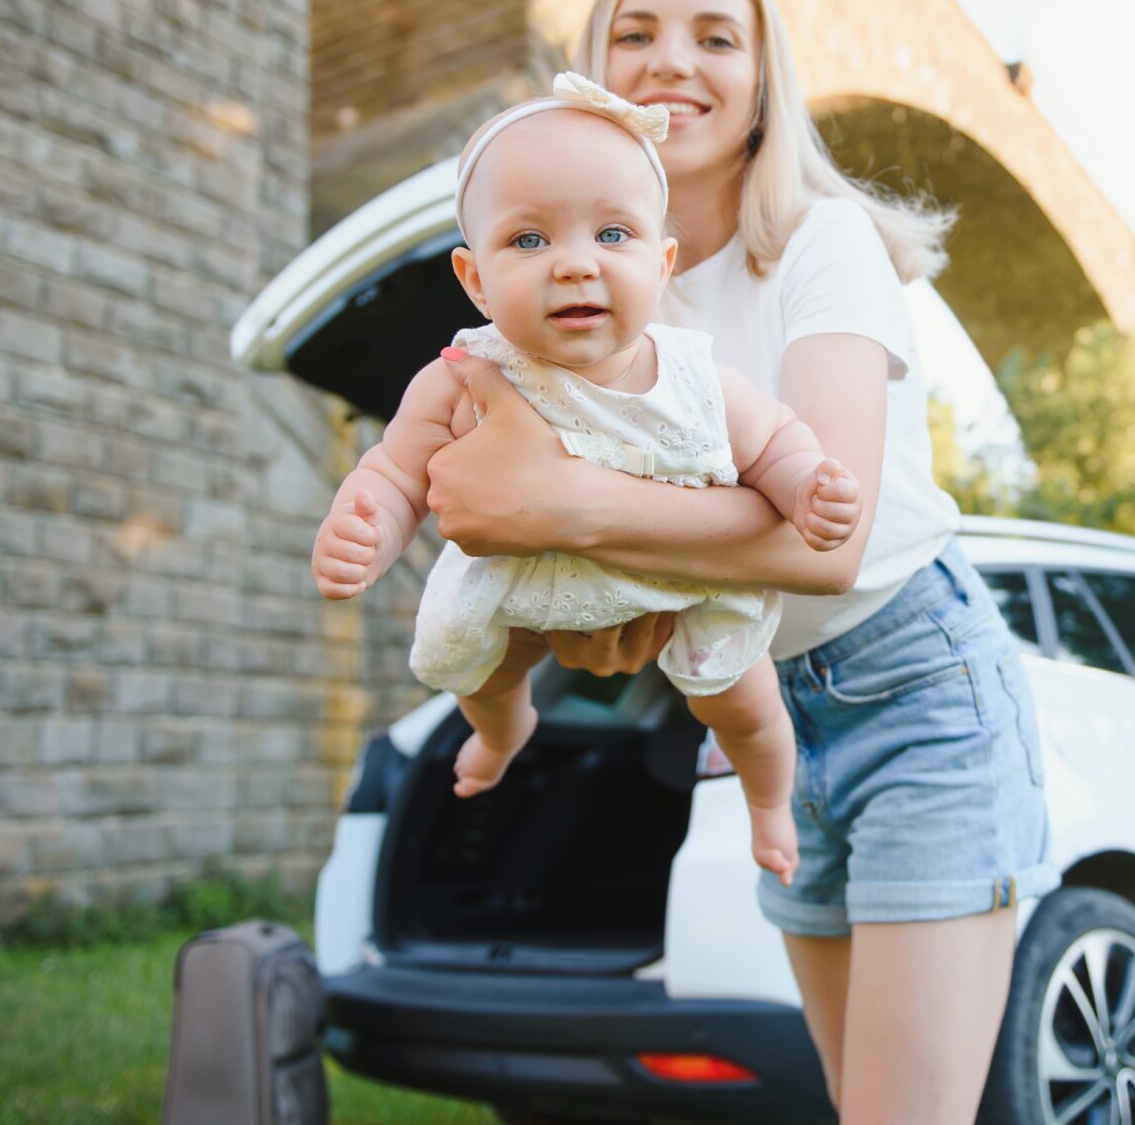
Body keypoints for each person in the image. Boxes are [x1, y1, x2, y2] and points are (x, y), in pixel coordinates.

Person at [425, 0, 1057, 1124]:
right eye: (637, 33)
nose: (677, 62)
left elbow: (822, 536)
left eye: (718, 38)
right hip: (761, 708)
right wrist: (590, 607)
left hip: (917, 689)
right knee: (848, 1097)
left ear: (765, 80)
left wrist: (558, 507)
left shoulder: (822, 243)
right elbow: (604, 580)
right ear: (592, 76)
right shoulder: (591, 291)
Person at [309, 72, 864, 886]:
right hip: (522, 588)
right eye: (529, 241)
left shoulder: (696, 375)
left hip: (688, 591)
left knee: (743, 706)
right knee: (483, 671)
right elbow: (398, 472)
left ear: (661, 259)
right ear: (473, 278)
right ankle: (503, 731)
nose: (573, 266)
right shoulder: (462, 377)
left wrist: (808, 484)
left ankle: (769, 800)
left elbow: (774, 442)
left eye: (612, 234)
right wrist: (366, 523)